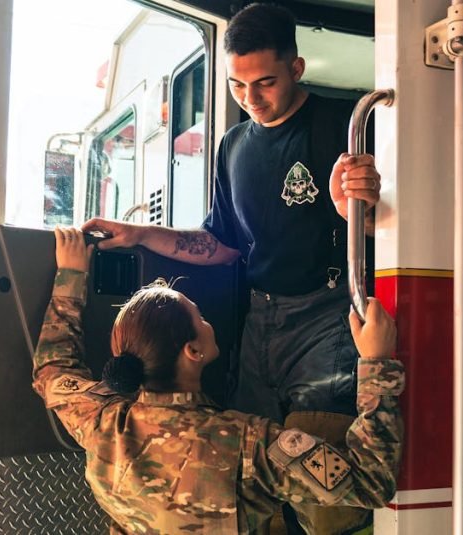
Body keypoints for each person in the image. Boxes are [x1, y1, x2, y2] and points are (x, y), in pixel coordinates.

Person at [81, 5, 382, 531]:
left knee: (326, 504)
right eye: (238, 85)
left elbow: (402, 231)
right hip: (260, 318)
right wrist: (140, 235)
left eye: (264, 82)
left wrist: (360, 211)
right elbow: (219, 245)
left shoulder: (349, 123)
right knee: (254, 483)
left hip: (328, 317)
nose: (251, 99)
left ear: (296, 67)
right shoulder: (233, 146)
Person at [33, 227, 403, 534]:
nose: (207, 321)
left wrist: (70, 274)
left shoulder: (99, 421)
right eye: (200, 317)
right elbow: (371, 481)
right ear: (193, 351)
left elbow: (51, 370)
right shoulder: (250, 444)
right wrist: (376, 362)